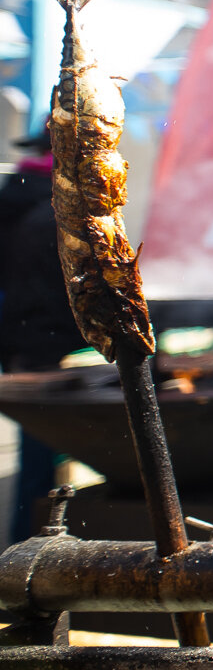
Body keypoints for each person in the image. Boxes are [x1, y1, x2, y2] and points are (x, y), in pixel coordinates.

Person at [0, 128, 77, 543]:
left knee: (39, 452)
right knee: (40, 452)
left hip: (21, 337)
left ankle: (22, 542)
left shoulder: (16, 196)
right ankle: (29, 550)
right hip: (41, 342)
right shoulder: (51, 211)